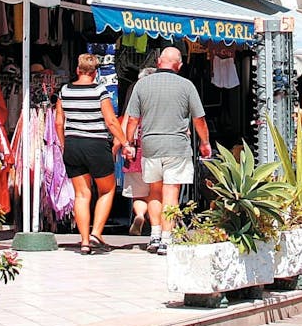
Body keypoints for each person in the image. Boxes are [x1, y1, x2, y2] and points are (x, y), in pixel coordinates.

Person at [123, 46, 210, 255]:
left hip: (151, 145)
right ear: (179, 65)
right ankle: (166, 239)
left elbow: (133, 119)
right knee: (171, 192)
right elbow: (199, 119)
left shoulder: (141, 85)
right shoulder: (187, 86)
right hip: (177, 146)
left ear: (159, 62)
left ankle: (153, 236)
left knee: (153, 190)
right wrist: (204, 143)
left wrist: (129, 143)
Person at [55, 53, 128, 255]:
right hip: (96, 145)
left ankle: (84, 242)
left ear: (78, 70)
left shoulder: (65, 91)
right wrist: (125, 142)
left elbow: (59, 122)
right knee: (107, 190)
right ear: (95, 73)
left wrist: (63, 144)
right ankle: (96, 233)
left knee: (82, 194)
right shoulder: (99, 91)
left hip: (73, 145)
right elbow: (111, 122)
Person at [119, 67, 156, 236]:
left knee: (139, 194)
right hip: (157, 150)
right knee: (156, 192)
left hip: (136, 150)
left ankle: (140, 215)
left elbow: (127, 121)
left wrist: (126, 145)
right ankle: (157, 229)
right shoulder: (159, 101)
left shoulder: (135, 96)